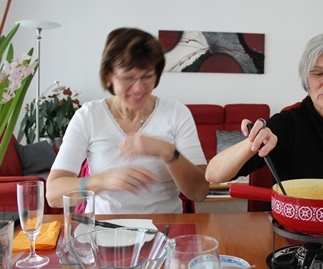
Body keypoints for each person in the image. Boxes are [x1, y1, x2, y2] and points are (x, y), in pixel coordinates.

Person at [206, 33, 323, 207]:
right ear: (306, 80)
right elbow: (212, 174)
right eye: (317, 73)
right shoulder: (287, 123)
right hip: (290, 229)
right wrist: (251, 143)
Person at [47, 28, 209, 214]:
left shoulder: (176, 113)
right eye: (128, 78)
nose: (139, 88)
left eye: (147, 76)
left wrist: (167, 151)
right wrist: (101, 181)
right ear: (109, 76)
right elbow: (53, 193)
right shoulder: (89, 116)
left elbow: (200, 192)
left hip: (165, 229)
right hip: (104, 229)